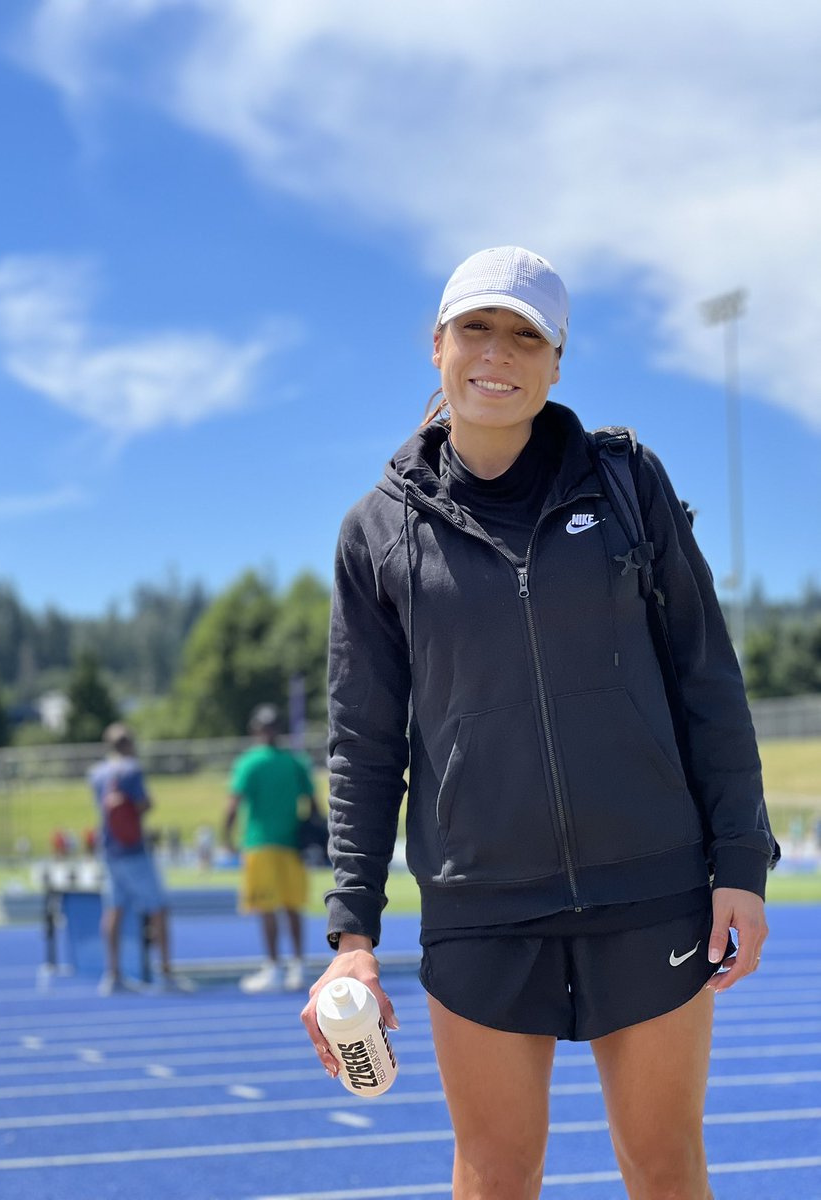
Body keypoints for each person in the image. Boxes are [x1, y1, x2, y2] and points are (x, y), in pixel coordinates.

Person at [302, 246, 779, 1199]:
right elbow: (364, 743)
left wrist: (741, 861)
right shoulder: (376, 534)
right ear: (437, 345)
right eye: (476, 329)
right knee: (496, 1174)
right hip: (479, 906)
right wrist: (353, 933)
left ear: (557, 362)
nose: (498, 354)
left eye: (526, 336)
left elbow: (707, 679)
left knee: (665, 1166)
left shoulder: (628, 484)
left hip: (650, 886)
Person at [225, 703, 319, 993]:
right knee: (292, 906)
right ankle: (298, 967)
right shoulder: (295, 762)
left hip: (260, 843)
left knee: (266, 908)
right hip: (291, 844)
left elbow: (233, 804)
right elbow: (313, 806)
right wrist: (314, 836)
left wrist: (226, 838)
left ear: (255, 729)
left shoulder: (249, 762)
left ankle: (274, 967)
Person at [90, 722, 186, 995]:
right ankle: (165, 973)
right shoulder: (131, 769)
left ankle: (113, 974)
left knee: (114, 910)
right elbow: (143, 804)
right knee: (159, 909)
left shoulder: (97, 773)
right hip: (132, 849)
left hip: (109, 849)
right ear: (129, 744)